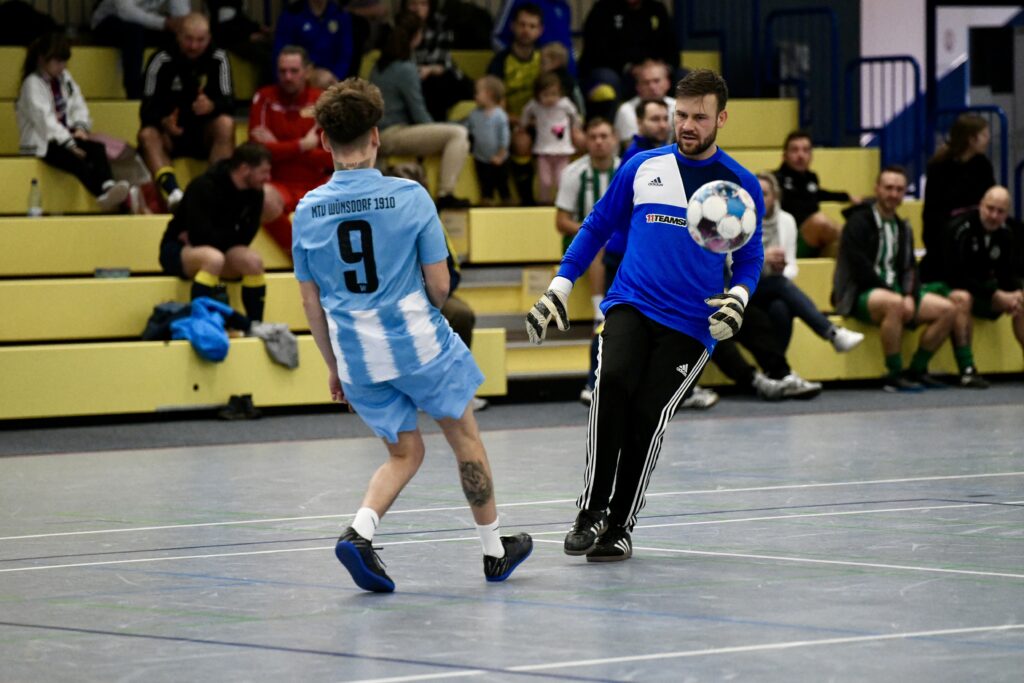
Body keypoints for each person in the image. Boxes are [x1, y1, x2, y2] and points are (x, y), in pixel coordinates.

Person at [294, 78, 532, 592]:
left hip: (357, 355)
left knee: (405, 453)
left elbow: (310, 302)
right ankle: (494, 551)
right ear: (376, 136)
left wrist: (335, 367)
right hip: (417, 340)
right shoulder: (410, 196)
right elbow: (440, 284)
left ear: (323, 140)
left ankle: (360, 532)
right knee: (464, 439)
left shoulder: (307, 210)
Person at [527, 69, 765, 562]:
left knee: (646, 415)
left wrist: (738, 298)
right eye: (681, 115)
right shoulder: (642, 166)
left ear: (721, 118)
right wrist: (560, 287)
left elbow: (749, 258)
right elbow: (595, 226)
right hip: (630, 302)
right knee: (610, 384)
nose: (687, 125)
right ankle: (591, 509)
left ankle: (619, 525)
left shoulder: (740, 186)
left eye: (699, 117)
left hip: (692, 324)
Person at [832, 166, 957, 392]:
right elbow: (860, 269)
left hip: (897, 292)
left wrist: (909, 295)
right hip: (860, 293)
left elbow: (910, 267)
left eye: (899, 189)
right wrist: (898, 295)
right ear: (877, 189)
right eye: (888, 188)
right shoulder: (858, 222)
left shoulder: (902, 226)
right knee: (894, 304)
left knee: (948, 309)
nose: (893, 194)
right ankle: (894, 373)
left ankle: (917, 369)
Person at [750, 172, 864, 353]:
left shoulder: (786, 221)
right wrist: (763, 260)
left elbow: (792, 266)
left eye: (764, 194)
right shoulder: (737, 221)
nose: (758, 198)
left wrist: (781, 268)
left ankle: (778, 371)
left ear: (775, 196)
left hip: (772, 287)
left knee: (781, 308)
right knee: (779, 285)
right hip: (742, 289)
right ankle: (832, 333)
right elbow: (731, 268)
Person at [17, 32, 131, 212]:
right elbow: (45, 122)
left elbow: (79, 104)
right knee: (76, 161)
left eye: (64, 62)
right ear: (42, 59)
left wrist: (80, 128)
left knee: (97, 149)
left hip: (65, 136)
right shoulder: (32, 84)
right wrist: (70, 144)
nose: (62, 67)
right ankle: (100, 193)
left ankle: (108, 186)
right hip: (43, 142)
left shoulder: (65, 78)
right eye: (57, 62)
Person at [158, 142, 271, 323]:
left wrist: (219, 235)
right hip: (176, 249)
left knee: (253, 261)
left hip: (211, 247)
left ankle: (256, 324)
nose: (267, 178)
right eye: (263, 172)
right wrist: (231, 233)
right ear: (244, 169)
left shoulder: (256, 193)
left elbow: (247, 236)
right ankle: (200, 322)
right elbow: (200, 236)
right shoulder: (204, 186)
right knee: (213, 258)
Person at [370, 11, 471, 210]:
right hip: (392, 134)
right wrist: (440, 127)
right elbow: (419, 114)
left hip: (378, 134)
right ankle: (446, 193)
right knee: (458, 134)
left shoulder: (379, 65)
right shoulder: (405, 68)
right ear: (417, 36)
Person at [139, 13, 235, 211]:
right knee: (147, 134)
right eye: (188, 39)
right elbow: (146, 108)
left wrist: (212, 106)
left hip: (203, 135)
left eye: (200, 40)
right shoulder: (161, 59)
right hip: (170, 137)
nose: (194, 46)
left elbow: (230, 101)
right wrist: (163, 121)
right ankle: (173, 193)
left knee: (226, 124)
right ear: (178, 36)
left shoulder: (219, 57)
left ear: (209, 38)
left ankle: (213, 194)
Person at [249, 46, 333, 254]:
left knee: (352, 190)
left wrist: (278, 146)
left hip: (316, 183)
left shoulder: (323, 101)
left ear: (307, 71)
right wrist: (301, 145)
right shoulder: (264, 98)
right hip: (279, 184)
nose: (287, 77)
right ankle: (302, 256)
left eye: (294, 71)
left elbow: (332, 157)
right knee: (260, 196)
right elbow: (257, 153)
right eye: (282, 71)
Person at [941, 186, 1024, 379]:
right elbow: (956, 276)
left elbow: (1010, 271)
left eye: (1000, 211)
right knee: (963, 298)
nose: (994, 216)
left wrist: (1015, 293)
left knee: (1021, 301)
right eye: (990, 208)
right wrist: (995, 294)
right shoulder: (958, 228)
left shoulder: (1010, 232)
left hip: (985, 291)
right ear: (980, 205)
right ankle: (967, 369)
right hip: (948, 287)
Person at [920, 114, 996, 283]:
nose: (988, 139)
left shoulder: (982, 165)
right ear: (972, 139)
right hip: (946, 238)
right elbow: (932, 212)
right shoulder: (939, 167)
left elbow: (990, 199)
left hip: (975, 234)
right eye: (984, 134)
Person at [487, 2, 543, 205]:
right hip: (508, 122)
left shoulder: (544, 60)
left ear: (540, 30)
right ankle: (526, 200)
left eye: (532, 26)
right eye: (522, 24)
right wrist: (519, 121)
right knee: (522, 141)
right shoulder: (500, 61)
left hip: (543, 120)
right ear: (512, 26)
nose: (526, 30)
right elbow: (492, 102)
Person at [775, 131, 860, 258]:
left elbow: (820, 193)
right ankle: (860, 240)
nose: (800, 155)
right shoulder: (775, 180)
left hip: (813, 240)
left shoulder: (811, 178)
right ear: (784, 155)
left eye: (805, 150)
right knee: (819, 221)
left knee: (841, 244)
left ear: (811, 155)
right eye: (795, 150)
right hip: (790, 242)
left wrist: (846, 197)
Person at [578, 0, 679, 102]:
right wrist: (630, 68)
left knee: (685, 78)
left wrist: (663, 67)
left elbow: (672, 49)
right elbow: (597, 53)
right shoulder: (602, 9)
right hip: (617, 70)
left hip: (653, 68)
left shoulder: (657, 9)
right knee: (608, 78)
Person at [91, 0, 190, 99]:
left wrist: (180, 25)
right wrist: (164, 23)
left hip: (142, 25)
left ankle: (177, 89)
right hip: (107, 22)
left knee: (178, 36)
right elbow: (125, 11)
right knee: (133, 32)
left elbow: (182, 16)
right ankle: (134, 94)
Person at [402, 0, 474, 122]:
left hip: (444, 74)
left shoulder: (442, 23)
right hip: (415, 76)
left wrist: (428, 69)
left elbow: (443, 63)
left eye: (423, 4)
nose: (417, 9)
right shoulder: (399, 26)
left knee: (436, 84)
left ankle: (436, 130)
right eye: (413, 4)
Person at [272, 0, 367, 90]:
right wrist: (309, 74)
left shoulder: (341, 14)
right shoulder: (291, 14)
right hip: (299, 83)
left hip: (333, 83)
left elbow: (346, 53)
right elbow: (281, 53)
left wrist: (334, 77)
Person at [520, 72, 582, 204]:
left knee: (561, 179)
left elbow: (575, 114)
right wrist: (524, 125)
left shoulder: (564, 104)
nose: (550, 99)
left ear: (560, 92)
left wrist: (575, 127)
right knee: (544, 180)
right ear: (538, 94)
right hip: (543, 149)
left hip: (562, 149)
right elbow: (526, 112)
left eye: (554, 94)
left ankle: (562, 204)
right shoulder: (535, 105)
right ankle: (544, 202)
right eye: (545, 95)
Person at [493, 0, 576, 75]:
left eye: (532, 26)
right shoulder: (515, 2)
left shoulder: (564, 6)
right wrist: (521, 62)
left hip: (568, 79)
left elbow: (567, 41)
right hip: (534, 80)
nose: (527, 29)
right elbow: (497, 38)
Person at [464, 75, 511, 206]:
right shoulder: (474, 114)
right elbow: (467, 128)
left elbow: (504, 137)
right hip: (481, 157)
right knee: (485, 181)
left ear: (488, 94)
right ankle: (486, 199)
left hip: (500, 157)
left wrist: (500, 155)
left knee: (502, 181)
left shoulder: (500, 115)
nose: (475, 96)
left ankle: (506, 199)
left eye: (477, 92)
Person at [613, 59, 675, 148]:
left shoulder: (679, 107)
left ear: (667, 83)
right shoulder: (626, 111)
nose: (652, 87)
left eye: (656, 81)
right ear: (638, 87)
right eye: (646, 82)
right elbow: (629, 147)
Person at [621, 98, 670, 163]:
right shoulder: (633, 158)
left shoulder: (669, 150)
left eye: (665, 119)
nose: (663, 125)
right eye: (655, 119)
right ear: (639, 122)